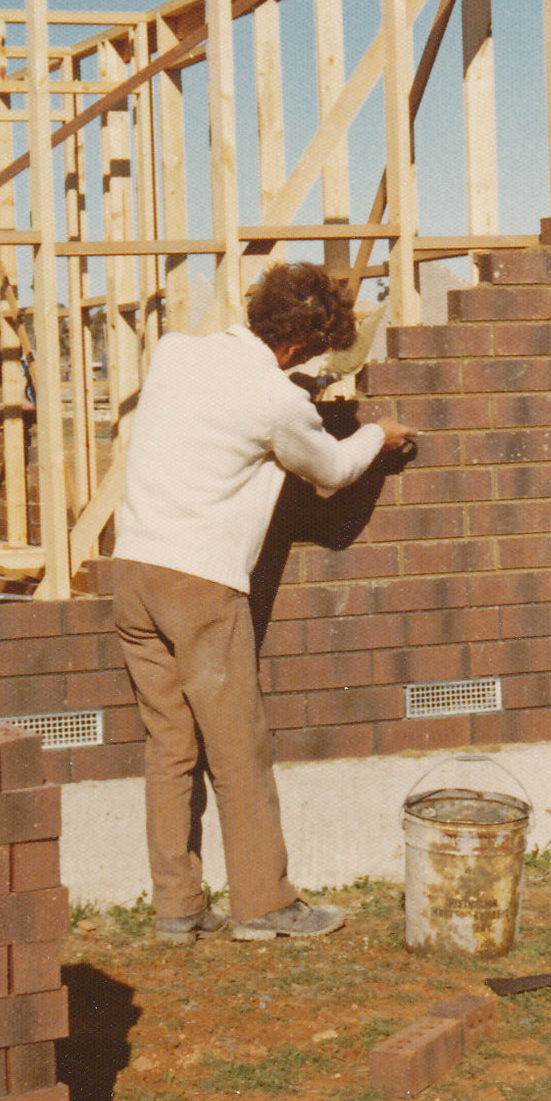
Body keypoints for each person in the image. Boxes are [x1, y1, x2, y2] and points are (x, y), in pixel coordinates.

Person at [112, 262, 414, 943]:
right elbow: (333, 470)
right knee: (237, 749)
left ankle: (178, 907)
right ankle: (263, 904)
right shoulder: (277, 402)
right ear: (297, 345)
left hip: (133, 573)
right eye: (311, 352)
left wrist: (294, 388)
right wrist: (380, 436)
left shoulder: (176, 353)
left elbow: (225, 406)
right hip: (200, 585)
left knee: (169, 746)